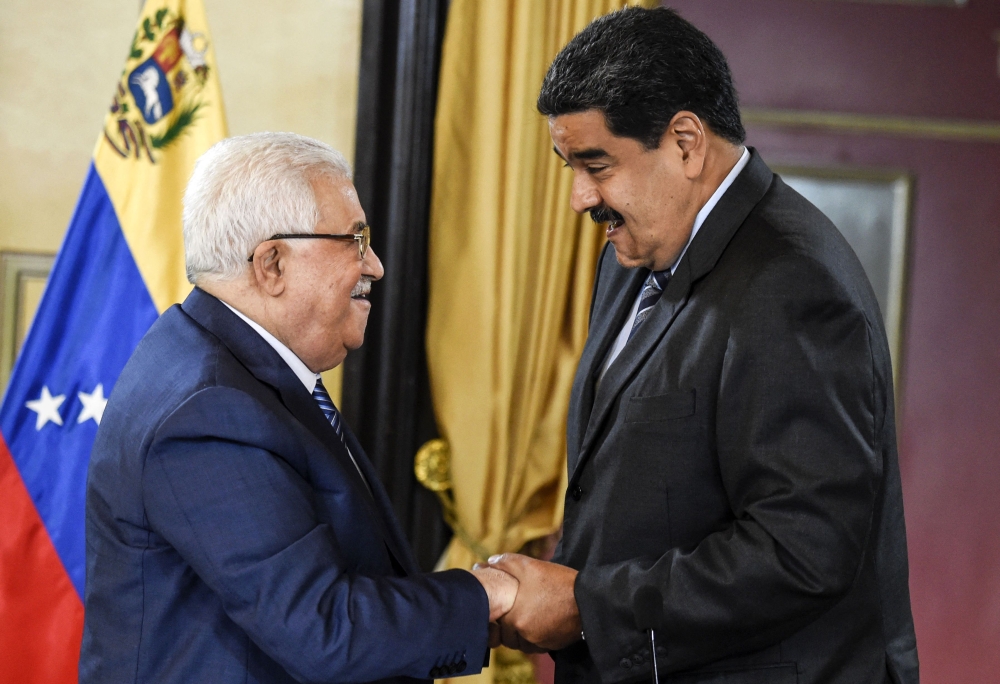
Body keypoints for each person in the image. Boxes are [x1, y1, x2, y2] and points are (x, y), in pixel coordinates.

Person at [487, 8, 919, 684]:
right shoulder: (629, 255)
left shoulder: (793, 285)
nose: (577, 198)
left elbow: (801, 551)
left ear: (686, 142)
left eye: (596, 164)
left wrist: (585, 606)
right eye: (568, 165)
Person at [79, 132, 517, 684]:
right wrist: (485, 597)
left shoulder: (233, 365)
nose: (376, 265)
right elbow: (322, 627)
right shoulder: (209, 410)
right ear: (272, 264)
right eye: (355, 240)